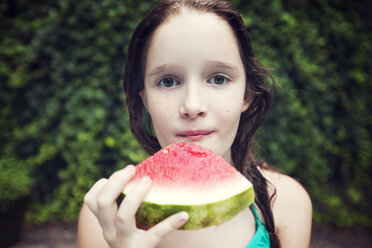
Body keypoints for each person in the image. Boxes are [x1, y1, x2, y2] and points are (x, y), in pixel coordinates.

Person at [78, 0, 313, 247]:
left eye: (219, 78)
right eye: (168, 81)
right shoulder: (104, 216)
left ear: (247, 93)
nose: (192, 106)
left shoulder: (287, 203)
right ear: (145, 100)